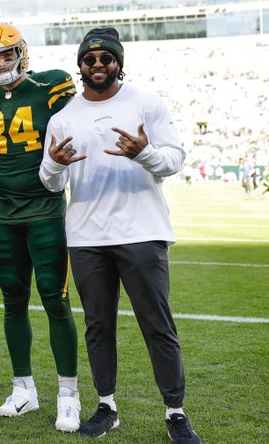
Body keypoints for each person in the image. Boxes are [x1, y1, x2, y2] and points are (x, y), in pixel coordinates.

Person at [39, 27, 200, 443]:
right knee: (98, 325)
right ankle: (106, 405)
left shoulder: (146, 104)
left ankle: (176, 413)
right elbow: (51, 183)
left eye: (105, 58)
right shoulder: (62, 117)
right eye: (89, 59)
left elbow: (174, 160)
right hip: (87, 236)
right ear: (80, 66)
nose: (97, 65)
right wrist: (55, 165)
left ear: (118, 63)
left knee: (157, 324)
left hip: (142, 231)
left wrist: (142, 153)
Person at [0, 22, 81, 432]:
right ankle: (23, 388)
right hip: (2, 210)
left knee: (55, 300)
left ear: (21, 52)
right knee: (12, 299)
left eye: (6, 54)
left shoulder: (51, 85)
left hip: (45, 209)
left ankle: (68, 394)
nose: (1, 63)